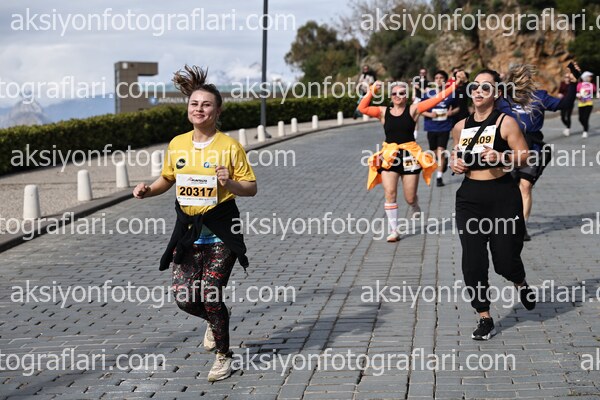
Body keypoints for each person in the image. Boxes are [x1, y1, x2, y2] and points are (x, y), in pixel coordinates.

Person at [132, 65, 257, 382]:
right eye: (194, 104)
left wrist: (229, 183)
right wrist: (148, 190)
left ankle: (223, 357)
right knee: (185, 299)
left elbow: (251, 187)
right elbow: (166, 179)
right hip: (188, 232)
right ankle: (215, 321)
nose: (199, 109)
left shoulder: (229, 146)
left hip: (221, 232)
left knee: (211, 294)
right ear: (188, 108)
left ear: (218, 111)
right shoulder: (177, 144)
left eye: (206, 105)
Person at [450, 68, 536, 341]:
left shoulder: (506, 123)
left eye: (485, 87)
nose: (478, 91)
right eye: (475, 86)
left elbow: (525, 156)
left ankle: (519, 280)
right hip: (470, 198)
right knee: (472, 260)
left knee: (505, 261)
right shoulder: (459, 127)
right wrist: (454, 164)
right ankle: (484, 316)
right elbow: (456, 157)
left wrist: (501, 156)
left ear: (496, 93)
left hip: (502, 196)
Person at [359, 80, 456, 242]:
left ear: (407, 96)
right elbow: (362, 108)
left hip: (410, 156)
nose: (398, 96)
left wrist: (453, 86)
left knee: (409, 197)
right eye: (395, 93)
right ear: (390, 96)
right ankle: (394, 230)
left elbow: (437, 99)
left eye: (402, 93)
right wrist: (372, 90)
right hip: (390, 156)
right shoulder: (383, 111)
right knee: (390, 193)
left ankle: (414, 205)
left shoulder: (413, 110)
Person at [496, 62, 579, 240]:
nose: (525, 80)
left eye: (527, 77)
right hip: (508, 149)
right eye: (521, 77)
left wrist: (573, 84)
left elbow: (564, 104)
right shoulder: (503, 100)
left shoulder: (539, 97)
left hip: (533, 148)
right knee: (508, 189)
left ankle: (522, 227)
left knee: (525, 187)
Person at [420, 70, 459, 187]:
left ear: (445, 81)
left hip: (444, 127)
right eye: (436, 78)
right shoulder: (428, 95)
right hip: (431, 127)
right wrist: (429, 114)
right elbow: (420, 109)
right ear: (433, 80)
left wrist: (451, 113)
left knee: (441, 152)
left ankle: (439, 177)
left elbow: (458, 108)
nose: (439, 80)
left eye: (441, 78)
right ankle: (444, 160)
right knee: (434, 152)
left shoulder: (450, 94)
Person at [577, 71, 596, 138]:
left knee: (585, 118)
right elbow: (577, 92)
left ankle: (585, 131)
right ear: (585, 77)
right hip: (581, 104)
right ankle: (586, 126)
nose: (591, 78)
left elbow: (594, 90)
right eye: (589, 77)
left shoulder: (591, 85)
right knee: (580, 118)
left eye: (591, 77)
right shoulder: (579, 85)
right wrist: (578, 95)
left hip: (589, 104)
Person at [559, 72, 574, 136]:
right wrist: (559, 94)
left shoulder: (572, 84)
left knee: (568, 116)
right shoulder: (562, 83)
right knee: (562, 117)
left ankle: (568, 128)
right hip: (563, 102)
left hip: (570, 102)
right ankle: (567, 125)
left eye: (568, 77)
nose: (567, 78)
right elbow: (560, 91)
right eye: (565, 77)